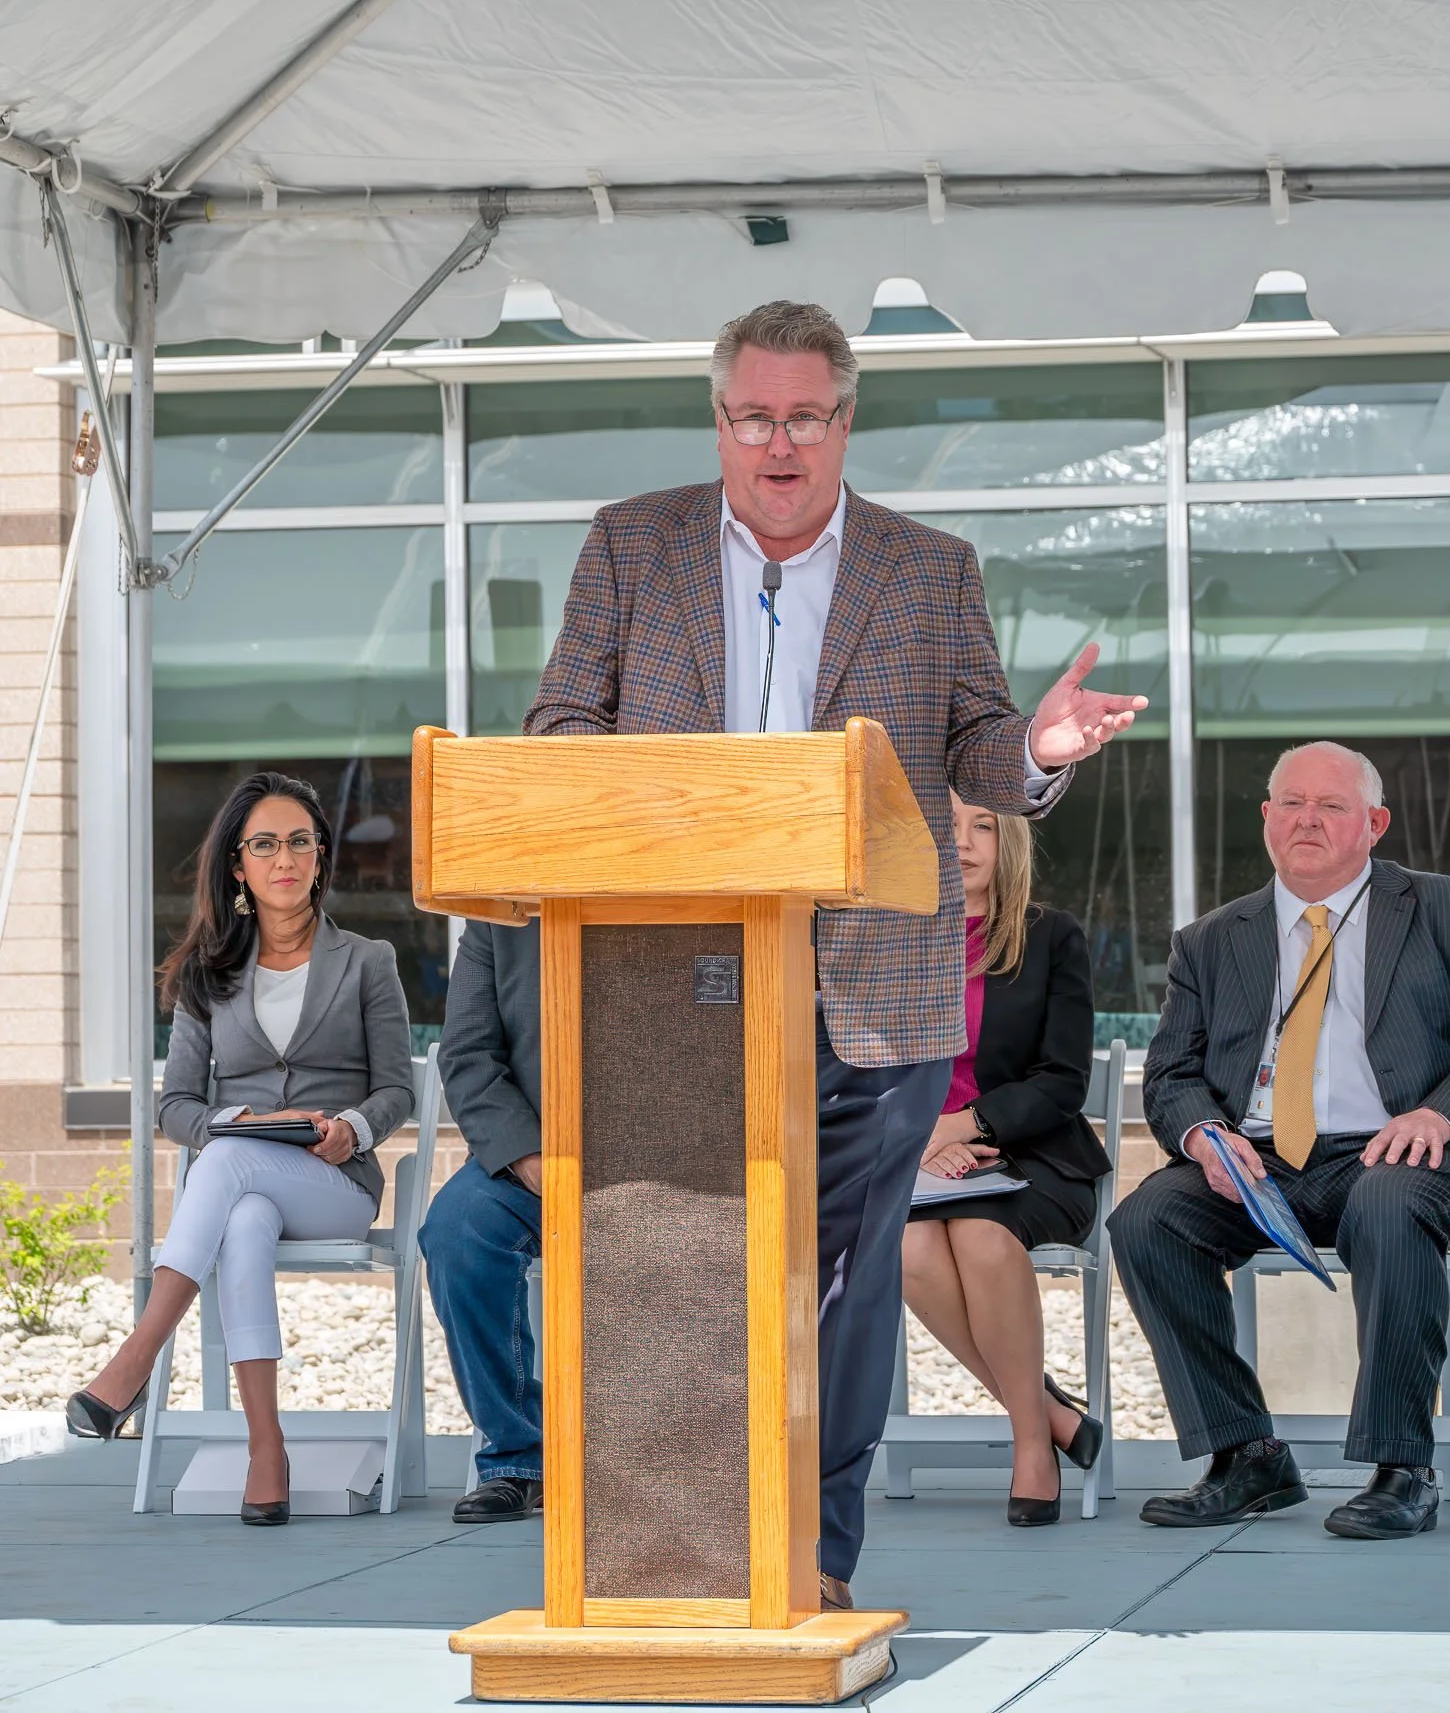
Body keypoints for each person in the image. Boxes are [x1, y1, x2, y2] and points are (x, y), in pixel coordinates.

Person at [524, 299, 1147, 1602]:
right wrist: (666, 806)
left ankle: (815, 1565)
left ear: (845, 420)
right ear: (721, 421)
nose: (780, 444)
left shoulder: (927, 570)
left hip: (877, 987)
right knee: (681, 1278)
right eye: (755, 417)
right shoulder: (630, 548)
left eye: (805, 416)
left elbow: (975, 742)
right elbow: (564, 722)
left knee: (847, 1290)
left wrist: (1038, 751)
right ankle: (677, 1561)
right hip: (674, 985)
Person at [1109, 740, 1450, 1540]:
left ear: (1374, 824)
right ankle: (1246, 1455)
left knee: (1391, 1209)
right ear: (1266, 818)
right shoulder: (1211, 940)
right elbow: (1171, 1073)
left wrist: (1442, 1113)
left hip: (1402, 1148)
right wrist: (1203, 1135)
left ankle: (1404, 1468)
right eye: (1292, 803)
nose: (1307, 820)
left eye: (1331, 807)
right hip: (1259, 1158)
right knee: (1146, 1222)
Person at [65, 772, 415, 1526]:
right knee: (242, 1211)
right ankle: (267, 1447)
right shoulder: (207, 973)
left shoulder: (367, 961)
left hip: (335, 1183)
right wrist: (239, 1118)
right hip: (245, 1178)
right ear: (239, 866)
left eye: (298, 842)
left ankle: (135, 1360)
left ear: (320, 857)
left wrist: (350, 1126)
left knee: (221, 1165)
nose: (283, 858)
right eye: (265, 845)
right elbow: (179, 1106)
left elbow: (397, 1090)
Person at [904, 793, 1110, 1526]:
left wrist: (965, 1123)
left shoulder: (1049, 936)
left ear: (1010, 840)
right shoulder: (891, 936)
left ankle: (1032, 1440)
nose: (962, 842)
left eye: (982, 826)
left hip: (1036, 1158)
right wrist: (929, 1136)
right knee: (910, 1248)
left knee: (984, 1239)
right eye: (945, 826)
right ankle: (1051, 1413)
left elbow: (1063, 1080)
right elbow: (863, 1065)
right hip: (919, 1160)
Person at [418, 920, 544, 1523]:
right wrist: (527, 1156)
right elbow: (468, 1053)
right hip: (528, 1161)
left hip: (675, 1157)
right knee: (458, 1232)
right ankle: (520, 1458)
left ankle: (692, 1460)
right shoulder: (501, 916)